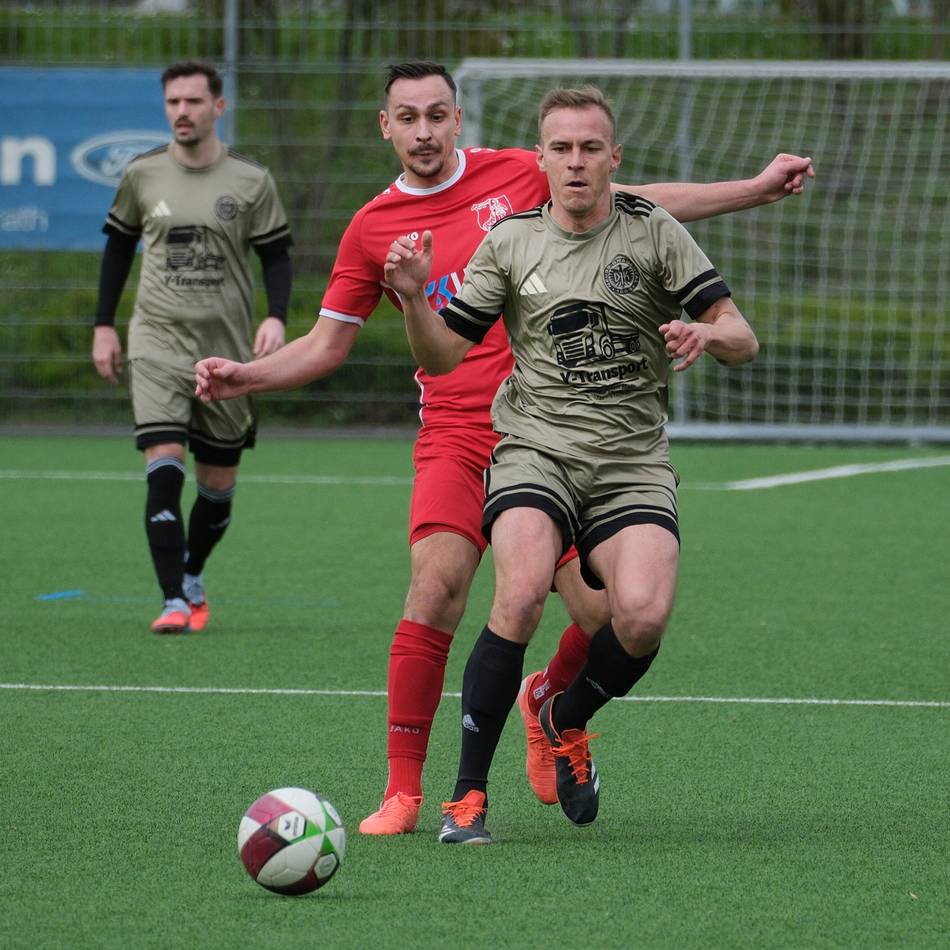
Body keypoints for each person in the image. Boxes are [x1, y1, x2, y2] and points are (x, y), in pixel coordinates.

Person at [195, 61, 810, 835]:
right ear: (384, 126)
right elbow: (324, 347)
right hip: (460, 434)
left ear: (460, 120)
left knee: (608, 614)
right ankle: (409, 792)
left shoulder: (523, 173)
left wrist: (752, 190)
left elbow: (645, 206)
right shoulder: (372, 228)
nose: (424, 131)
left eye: (437, 115)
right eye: (408, 118)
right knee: (440, 584)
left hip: (565, 433)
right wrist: (244, 376)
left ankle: (548, 706)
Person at [383, 84, 760, 844]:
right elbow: (444, 356)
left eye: (592, 148)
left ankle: (561, 714)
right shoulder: (512, 239)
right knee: (519, 596)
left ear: (614, 159)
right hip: (536, 451)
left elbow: (741, 333)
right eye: (561, 148)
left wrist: (705, 335)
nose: (577, 161)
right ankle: (467, 798)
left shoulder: (653, 231)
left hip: (630, 461)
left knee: (642, 618)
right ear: (542, 158)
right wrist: (415, 301)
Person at [92, 59, 293, 634]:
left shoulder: (251, 180)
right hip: (155, 341)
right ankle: (173, 601)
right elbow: (117, 250)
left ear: (218, 107)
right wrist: (104, 324)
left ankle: (192, 571)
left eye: (193, 102)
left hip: (227, 351)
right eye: (173, 102)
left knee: (217, 491)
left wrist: (276, 318)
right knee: (163, 467)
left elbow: (276, 255)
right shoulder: (141, 175)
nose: (182, 111)